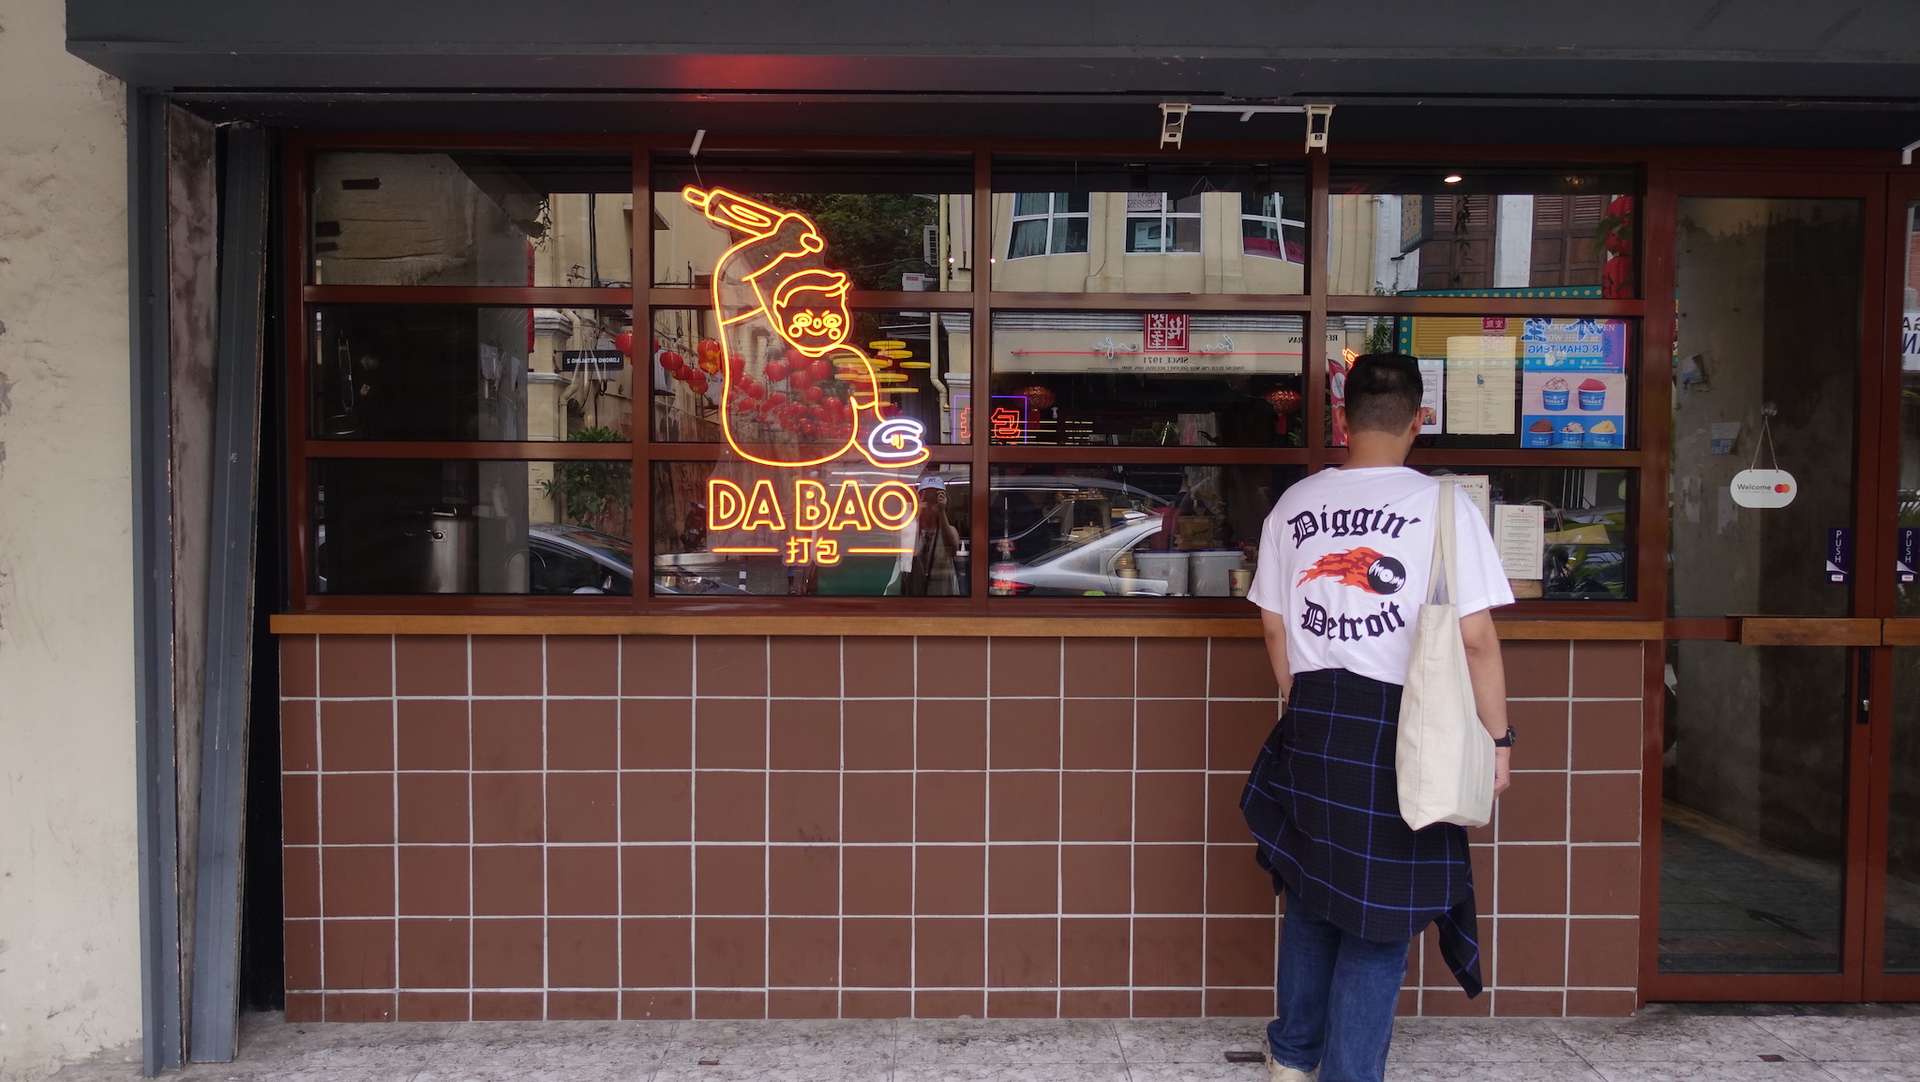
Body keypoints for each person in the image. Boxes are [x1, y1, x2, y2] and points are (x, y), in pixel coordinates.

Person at [1241, 353, 1516, 1082]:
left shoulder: (1295, 505)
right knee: (1379, 920)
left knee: (1310, 895)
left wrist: (1301, 698)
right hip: (1406, 729)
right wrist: (1498, 740)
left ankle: (1292, 1058)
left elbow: (1273, 626)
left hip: (1315, 714)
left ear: (1342, 419)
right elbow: (1478, 638)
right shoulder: (1447, 507)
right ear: (1419, 420)